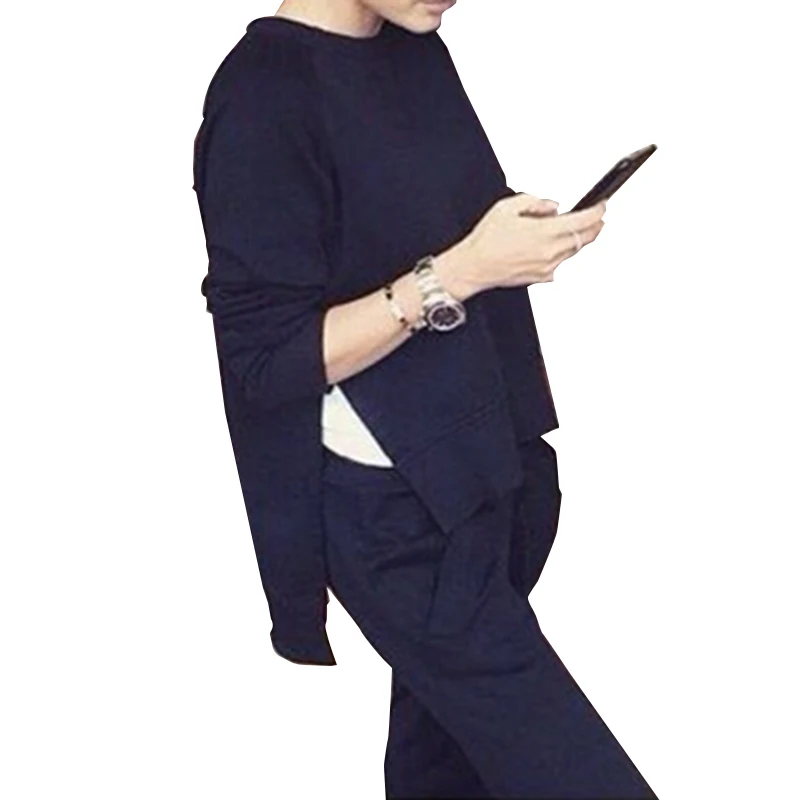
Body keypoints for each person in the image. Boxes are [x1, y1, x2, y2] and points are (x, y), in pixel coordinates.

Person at [192, 1, 658, 796]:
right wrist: (463, 271)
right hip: (394, 510)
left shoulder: (413, 47)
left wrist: (520, 236)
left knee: (441, 768)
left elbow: (422, 226)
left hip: (488, 464)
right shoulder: (262, 95)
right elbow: (266, 361)